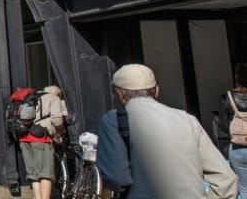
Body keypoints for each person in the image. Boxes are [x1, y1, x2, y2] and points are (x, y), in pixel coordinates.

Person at [96, 63, 236, 198]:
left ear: (119, 94)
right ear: (157, 91)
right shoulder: (187, 119)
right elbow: (226, 179)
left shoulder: (113, 121)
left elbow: (117, 178)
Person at [17, 85, 66, 199]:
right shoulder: (53, 99)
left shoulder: (32, 97)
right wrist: (59, 133)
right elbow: (57, 120)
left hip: (24, 138)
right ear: (57, 93)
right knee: (46, 174)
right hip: (41, 139)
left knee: (34, 174)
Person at [222, 62, 247, 199]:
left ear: (237, 77)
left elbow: (224, 125)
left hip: (238, 148)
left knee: (244, 190)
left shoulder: (228, 97)